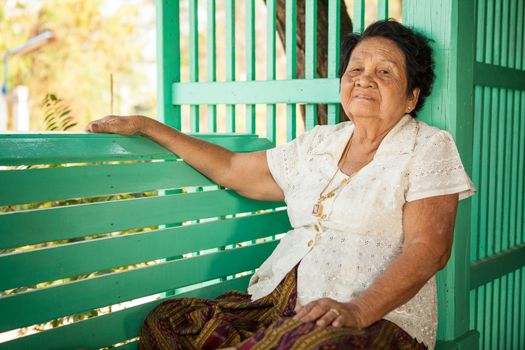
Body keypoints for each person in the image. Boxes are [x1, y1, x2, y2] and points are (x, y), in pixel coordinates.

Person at [86, 19, 475, 350]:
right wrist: (150, 127)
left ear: (411, 97)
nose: (364, 80)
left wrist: (358, 309)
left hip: (376, 319)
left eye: (384, 72)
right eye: (355, 69)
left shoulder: (427, 147)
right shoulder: (320, 142)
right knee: (167, 321)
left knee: (302, 343)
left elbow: (429, 250)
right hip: (279, 304)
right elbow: (235, 168)